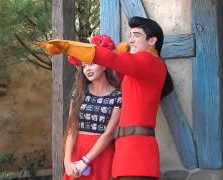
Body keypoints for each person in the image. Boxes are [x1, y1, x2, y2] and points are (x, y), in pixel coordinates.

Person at [37, 16, 174, 180]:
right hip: (126, 154)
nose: (131, 40)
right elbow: (117, 66)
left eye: (136, 35)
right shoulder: (141, 70)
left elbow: (113, 60)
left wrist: (69, 46)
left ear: (152, 41)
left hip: (137, 156)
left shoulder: (149, 61)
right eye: (130, 35)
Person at [62, 35, 122, 180]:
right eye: (84, 65)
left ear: (104, 64)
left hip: (102, 154)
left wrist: (85, 161)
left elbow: (109, 134)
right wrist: (67, 161)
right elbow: (71, 128)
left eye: (92, 63)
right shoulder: (79, 92)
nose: (88, 69)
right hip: (77, 151)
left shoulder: (118, 96)